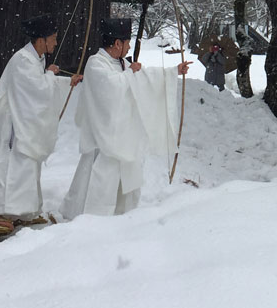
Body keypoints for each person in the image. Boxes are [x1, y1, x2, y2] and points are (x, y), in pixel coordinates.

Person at [61, 17, 188, 219]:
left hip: (123, 136)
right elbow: (111, 89)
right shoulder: (96, 64)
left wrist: (173, 72)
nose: (128, 48)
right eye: (127, 43)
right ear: (117, 43)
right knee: (100, 181)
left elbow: (145, 78)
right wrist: (130, 73)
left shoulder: (121, 63)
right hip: (103, 138)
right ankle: (88, 217)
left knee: (125, 180)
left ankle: (123, 216)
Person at [0, 14, 82, 219]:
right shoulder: (22, 60)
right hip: (15, 125)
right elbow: (37, 89)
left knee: (25, 168)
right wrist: (52, 76)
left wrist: (66, 81)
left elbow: (41, 83)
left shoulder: (36, 58)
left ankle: (21, 210)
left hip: (24, 121)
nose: (55, 42)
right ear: (40, 40)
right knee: (10, 167)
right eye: (53, 38)